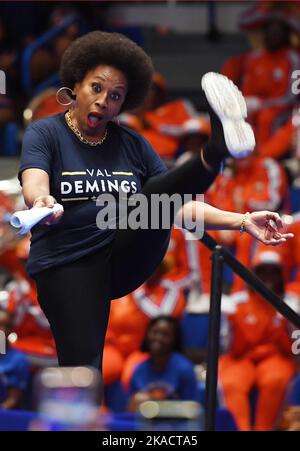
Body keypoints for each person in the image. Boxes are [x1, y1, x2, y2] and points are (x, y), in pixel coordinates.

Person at [18, 31, 292, 376]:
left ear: (124, 104)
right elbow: (34, 181)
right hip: (68, 264)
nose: (104, 101)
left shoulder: (131, 143)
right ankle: (215, 151)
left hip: (124, 254)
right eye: (96, 88)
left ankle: (216, 149)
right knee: (83, 372)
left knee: (150, 202)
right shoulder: (47, 133)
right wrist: (41, 199)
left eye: (116, 96)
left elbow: (174, 205)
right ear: (76, 84)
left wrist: (241, 220)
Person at [219, 248, 297, 431]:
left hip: (276, 358)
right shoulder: (235, 303)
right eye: (263, 271)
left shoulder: (292, 303)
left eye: (273, 272)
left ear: (281, 275)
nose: (268, 277)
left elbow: (295, 347)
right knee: (231, 382)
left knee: (276, 380)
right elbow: (226, 345)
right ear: (254, 274)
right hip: (241, 358)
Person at [127, 315, 198, 411]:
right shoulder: (139, 370)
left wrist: (154, 401)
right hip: (147, 423)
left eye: (165, 334)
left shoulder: (184, 369)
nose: (158, 338)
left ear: (174, 339)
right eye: (155, 332)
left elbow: (192, 407)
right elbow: (132, 407)